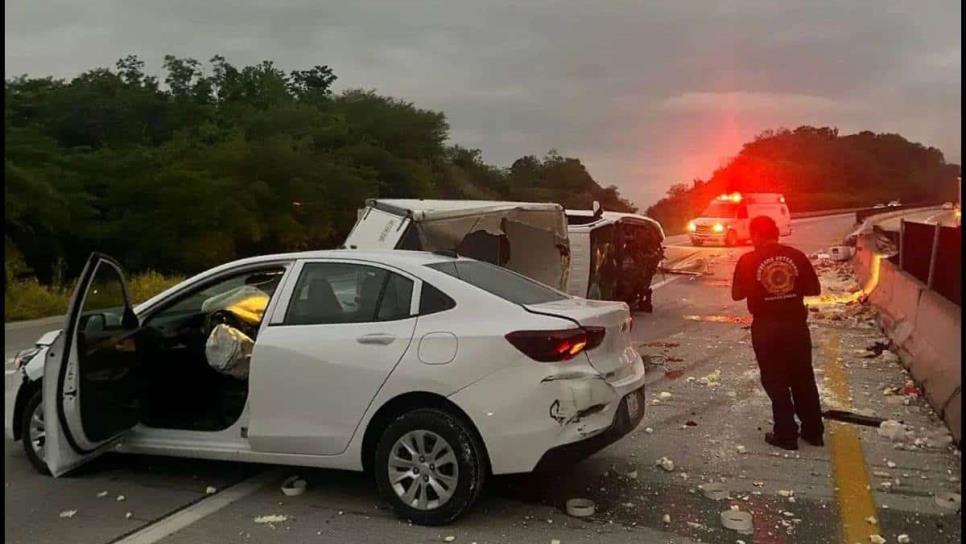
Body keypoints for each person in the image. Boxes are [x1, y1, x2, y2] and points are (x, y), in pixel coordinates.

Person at [731, 216, 823, 450]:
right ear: (777, 233)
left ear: (755, 235)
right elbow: (814, 289)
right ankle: (813, 431)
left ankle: (786, 433)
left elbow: (736, 295)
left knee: (775, 379)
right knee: (803, 376)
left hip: (766, 327)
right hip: (796, 326)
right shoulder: (797, 256)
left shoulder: (748, 260)